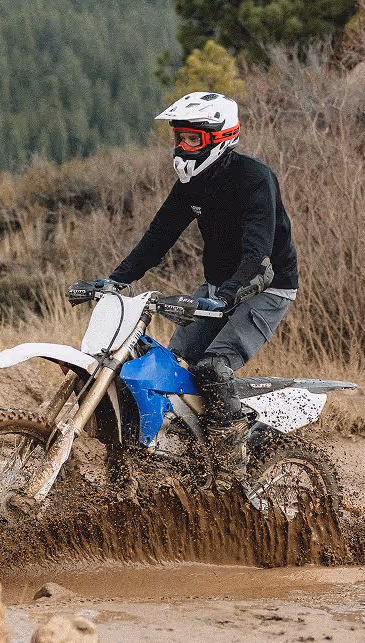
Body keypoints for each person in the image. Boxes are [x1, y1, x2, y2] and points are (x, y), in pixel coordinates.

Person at [103, 92, 298, 463]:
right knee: (173, 366)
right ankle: (191, 448)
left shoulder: (255, 180)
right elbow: (158, 236)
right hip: (218, 289)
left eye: (192, 139)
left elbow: (258, 260)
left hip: (267, 288)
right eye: (179, 138)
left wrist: (225, 298)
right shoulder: (191, 183)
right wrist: (116, 279)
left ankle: (231, 456)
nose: (182, 147)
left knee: (212, 368)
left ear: (219, 138)